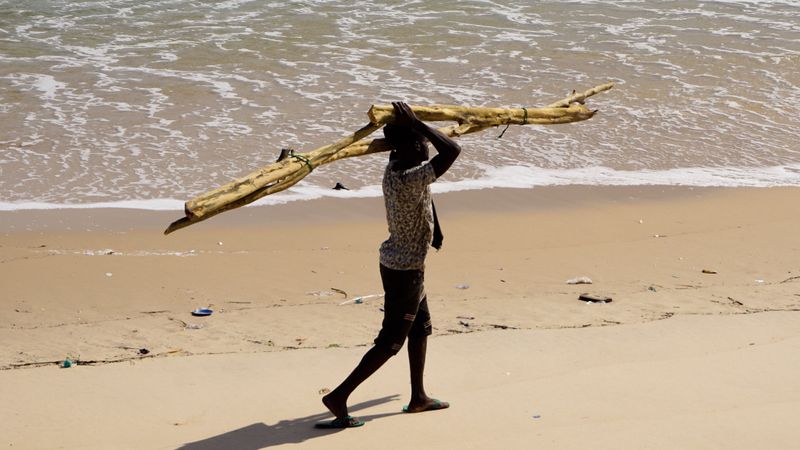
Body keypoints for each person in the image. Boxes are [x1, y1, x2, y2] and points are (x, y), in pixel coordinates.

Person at [317, 102, 462, 429]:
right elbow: (453, 150)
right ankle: (338, 397)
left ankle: (419, 397)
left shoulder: (401, 164)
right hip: (405, 271)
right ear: (412, 145)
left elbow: (426, 190)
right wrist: (421, 125)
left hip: (408, 264)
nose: (426, 147)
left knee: (421, 327)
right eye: (422, 143)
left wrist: (435, 227)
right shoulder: (407, 175)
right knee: (391, 342)